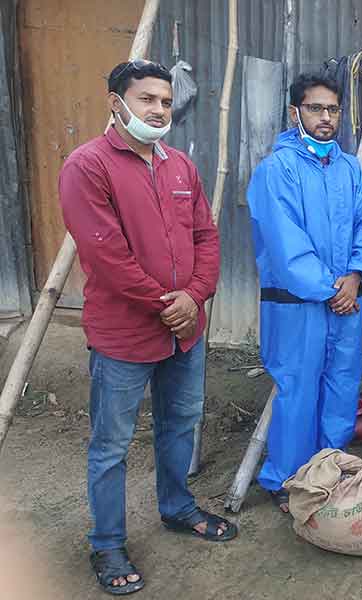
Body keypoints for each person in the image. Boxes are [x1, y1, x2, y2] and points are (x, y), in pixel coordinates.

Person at [59, 59, 232, 596]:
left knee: (180, 424)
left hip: (185, 330)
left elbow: (207, 236)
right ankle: (107, 541)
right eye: (146, 100)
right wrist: (167, 301)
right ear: (116, 103)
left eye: (165, 101)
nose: (159, 110)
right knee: (111, 443)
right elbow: (104, 253)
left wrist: (195, 295)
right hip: (124, 335)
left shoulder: (180, 166)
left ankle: (177, 507)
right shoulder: (87, 167)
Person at [247, 73, 362, 513]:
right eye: (315, 108)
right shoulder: (276, 170)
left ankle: (331, 470)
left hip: (345, 300)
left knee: (342, 388)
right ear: (295, 113)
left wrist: (358, 275)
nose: (326, 118)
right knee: (298, 392)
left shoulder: (348, 168)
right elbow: (287, 245)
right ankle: (286, 481)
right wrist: (332, 288)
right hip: (299, 306)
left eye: (333, 110)